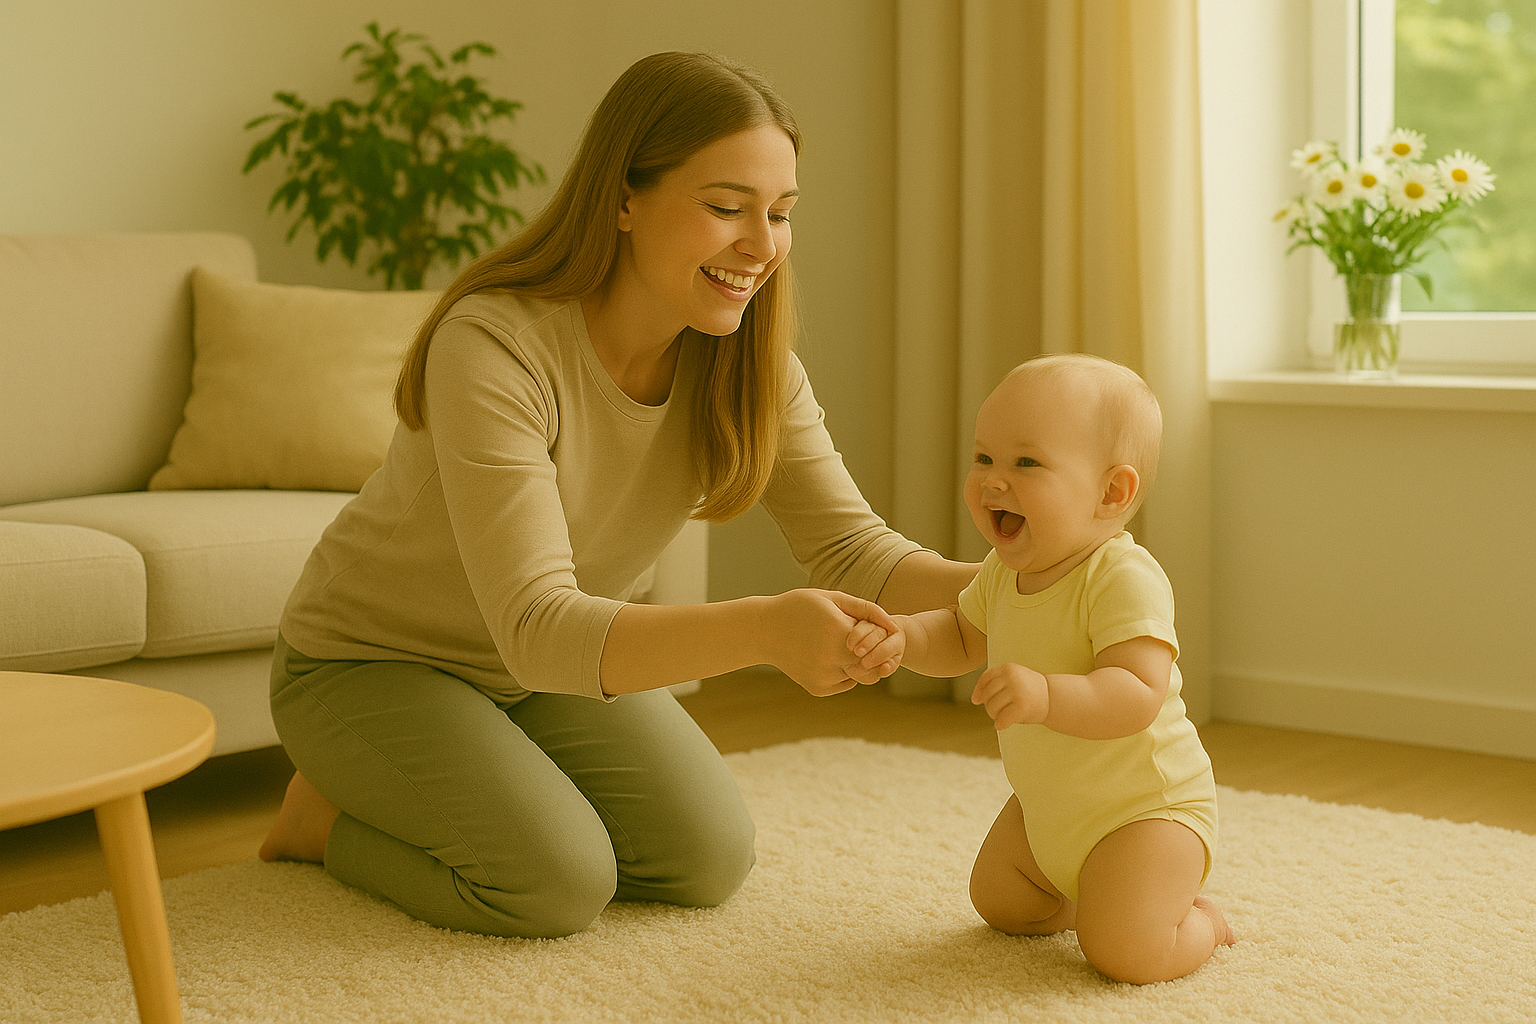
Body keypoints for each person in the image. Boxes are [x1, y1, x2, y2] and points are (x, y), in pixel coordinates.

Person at [256, 50, 976, 940]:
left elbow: (854, 551)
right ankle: (318, 821)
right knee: (552, 883)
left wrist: (1034, 588)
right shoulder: (495, 345)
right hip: (370, 664)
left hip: (537, 674)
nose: (762, 245)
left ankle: (474, 772)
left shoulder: (750, 367)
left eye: (781, 213)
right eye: (727, 207)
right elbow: (538, 625)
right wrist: (764, 629)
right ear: (624, 198)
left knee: (705, 859)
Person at [851, 354, 1235, 984]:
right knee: (1001, 902)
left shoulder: (1122, 576)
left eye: (1026, 463)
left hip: (1144, 812)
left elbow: (1138, 692)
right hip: (1049, 808)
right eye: (984, 458)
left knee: (1126, 954)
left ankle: (1200, 923)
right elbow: (959, 635)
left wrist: (1047, 695)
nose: (993, 481)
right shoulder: (1003, 573)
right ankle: (1096, 895)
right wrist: (902, 638)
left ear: (1112, 493)